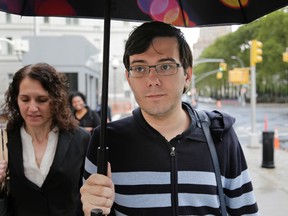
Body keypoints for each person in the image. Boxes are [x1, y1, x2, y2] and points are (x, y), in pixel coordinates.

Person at [80, 21, 259, 216]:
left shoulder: (221, 136)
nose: (152, 80)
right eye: (140, 69)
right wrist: (92, 211)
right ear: (128, 77)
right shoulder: (106, 141)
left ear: (188, 75)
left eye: (165, 67)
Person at [0, 63, 91, 216]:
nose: (32, 108)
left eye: (42, 100)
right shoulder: (5, 140)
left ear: (56, 100)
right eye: (25, 99)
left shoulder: (81, 139)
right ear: (16, 99)